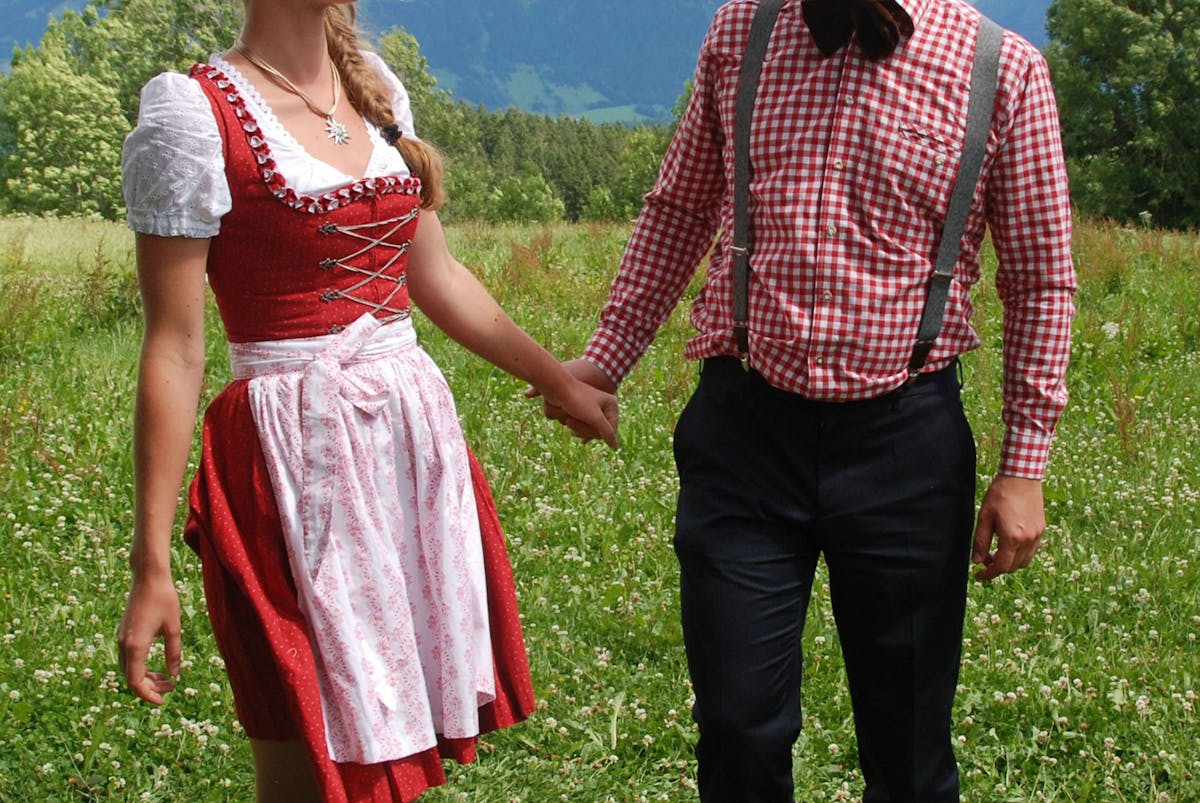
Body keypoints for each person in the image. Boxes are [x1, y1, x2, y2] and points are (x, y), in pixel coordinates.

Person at [538, 0, 1075, 800]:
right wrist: (605, 361)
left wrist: (1023, 464)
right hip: (745, 433)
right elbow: (681, 209)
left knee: (909, 750)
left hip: (908, 443)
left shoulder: (1003, 66)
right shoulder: (740, 31)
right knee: (737, 728)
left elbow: (1039, 279)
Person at [115, 1, 619, 800]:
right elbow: (174, 345)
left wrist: (558, 380)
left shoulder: (374, 87)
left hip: (406, 442)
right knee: (311, 746)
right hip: (290, 457)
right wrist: (150, 563)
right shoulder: (191, 110)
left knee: (396, 735)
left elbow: (436, 276)